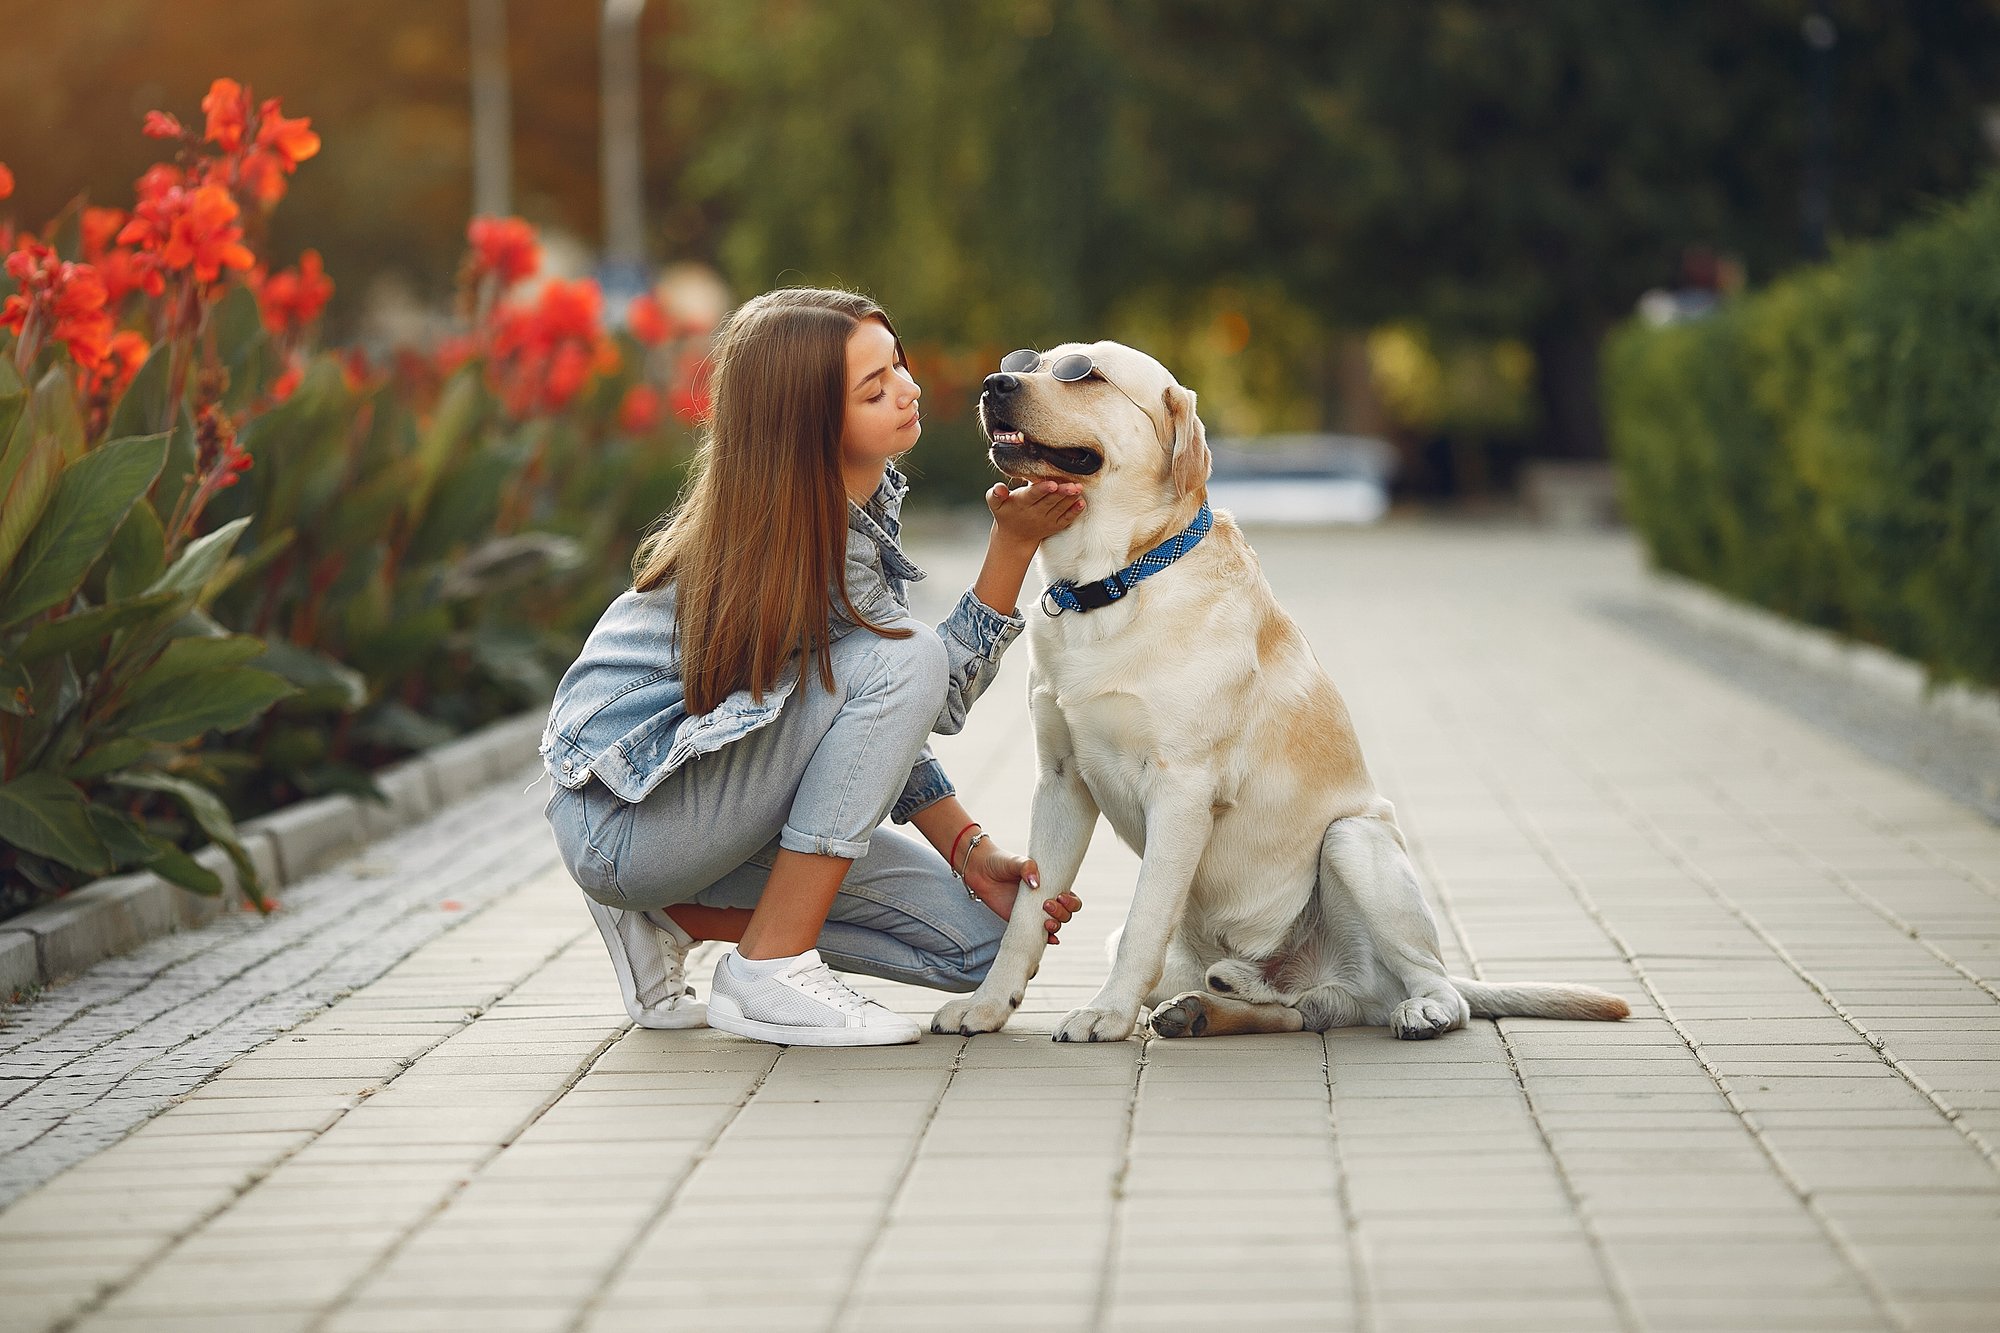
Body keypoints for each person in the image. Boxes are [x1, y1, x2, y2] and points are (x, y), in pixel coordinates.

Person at [540, 287, 1085, 1047]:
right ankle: (768, 971)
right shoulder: (789, 537)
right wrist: (1012, 548)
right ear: (809, 425)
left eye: (898, 364)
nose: (911, 388)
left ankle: (670, 918)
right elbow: (927, 688)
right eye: (876, 386)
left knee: (982, 947)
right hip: (631, 817)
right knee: (906, 661)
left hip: (714, 802)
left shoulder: (855, 501)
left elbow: (865, 723)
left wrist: (971, 851)